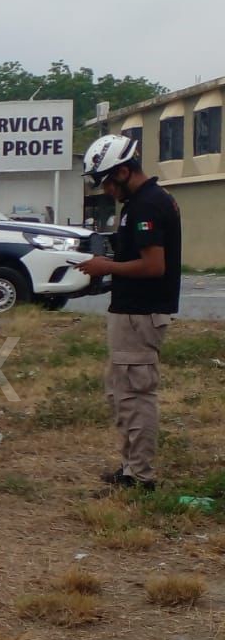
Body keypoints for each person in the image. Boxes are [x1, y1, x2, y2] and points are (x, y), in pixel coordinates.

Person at [76, 134, 182, 491]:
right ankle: (130, 469)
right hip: (131, 312)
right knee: (122, 392)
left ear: (123, 171)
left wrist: (105, 266)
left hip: (141, 314)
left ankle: (141, 477)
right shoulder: (143, 203)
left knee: (136, 396)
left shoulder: (147, 206)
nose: (105, 189)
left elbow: (154, 266)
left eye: (106, 180)